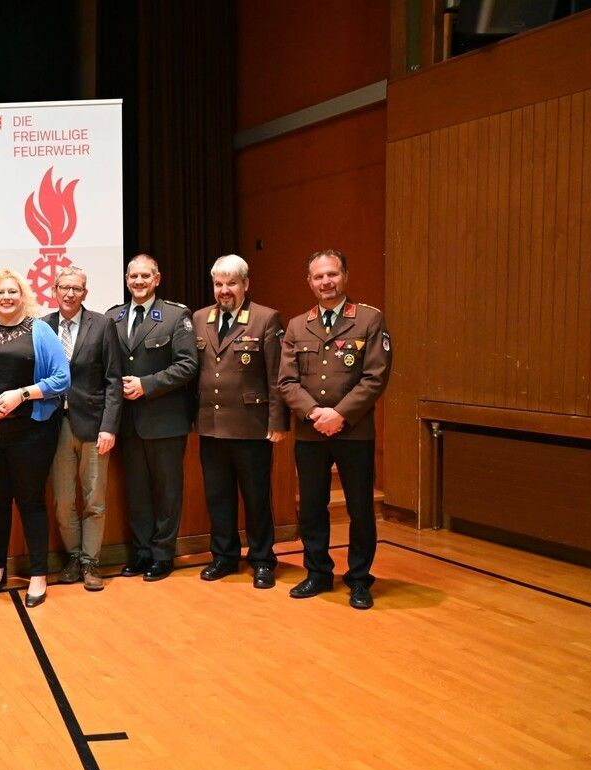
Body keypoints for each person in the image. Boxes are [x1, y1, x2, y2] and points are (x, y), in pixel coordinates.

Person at [278, 249, 391, 610]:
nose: (325, 282)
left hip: (353, 431)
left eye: (332, 274)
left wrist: (339, 414)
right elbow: (286, 381)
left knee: (359, 508)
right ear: (309, 282)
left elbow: (375, 377)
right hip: (311, 433)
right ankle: (318, 573)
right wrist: (314, 413)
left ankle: (359, 579)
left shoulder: (369, 320)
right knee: (312, 506)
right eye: (318, 277)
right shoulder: (297, 325)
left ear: (345, 276)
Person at [0, 269, 69, 607]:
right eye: (0, 293)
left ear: (23, 297)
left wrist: (23, 394)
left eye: (12, 292)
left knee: (31, 502)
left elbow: (63, 378)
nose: (6, 298)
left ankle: (37, 574)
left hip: (32, 433)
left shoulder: (41, 331)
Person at [192, 255, 288, 589]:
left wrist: (278, 421)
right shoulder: (200, 318)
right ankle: (224, 556)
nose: (224, 290)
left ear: (246, 284)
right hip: (211, 425)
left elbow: (277, 377)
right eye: (218, 284)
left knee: (256, 495)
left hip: (251, 425)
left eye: (231, 283)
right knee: (218, 495)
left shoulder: (266, 319)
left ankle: (262, 559)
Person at [109, 254, 198, 582]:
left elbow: (188, 365)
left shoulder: (176, 317)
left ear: (157, 278)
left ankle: (162, 555)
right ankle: (142, 552)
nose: (139, 282)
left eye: (146, 276)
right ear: (127, 278)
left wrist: (146, 385)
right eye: (133, 276)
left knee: (167, 492)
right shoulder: (113, 317)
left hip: (165, 421)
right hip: (128, 423)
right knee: (137, 493)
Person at [42, 266, 123, 592]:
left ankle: (90, 562)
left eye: (76, 288)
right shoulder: (43, 326)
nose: (70, 293)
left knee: (94, 501)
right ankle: (73, 557)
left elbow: (113, 381)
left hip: (93, 427)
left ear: (85, 293)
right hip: (53, 425)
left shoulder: (102, 325)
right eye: (64, 287)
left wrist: (109, 427)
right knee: (63, 502)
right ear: (55, 290)